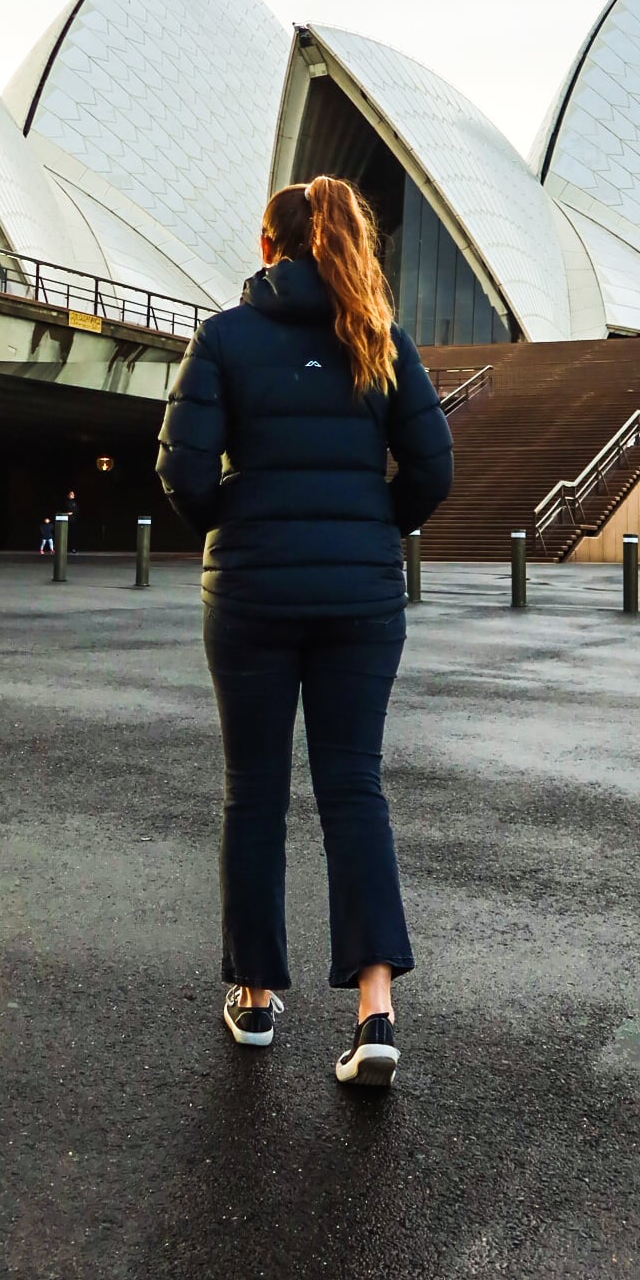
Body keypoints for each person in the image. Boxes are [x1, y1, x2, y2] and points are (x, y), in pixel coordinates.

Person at [158, 175, 453, 1090]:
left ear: (268, 246)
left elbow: (183, 471)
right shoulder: (377, 337)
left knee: (253, 790)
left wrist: (230, 515)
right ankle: (375, 1012)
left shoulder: (224, 337)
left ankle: (253, 997)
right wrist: (375, 521)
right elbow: (434, 470)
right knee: (353, 788)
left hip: (250, 590)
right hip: (361, 598)